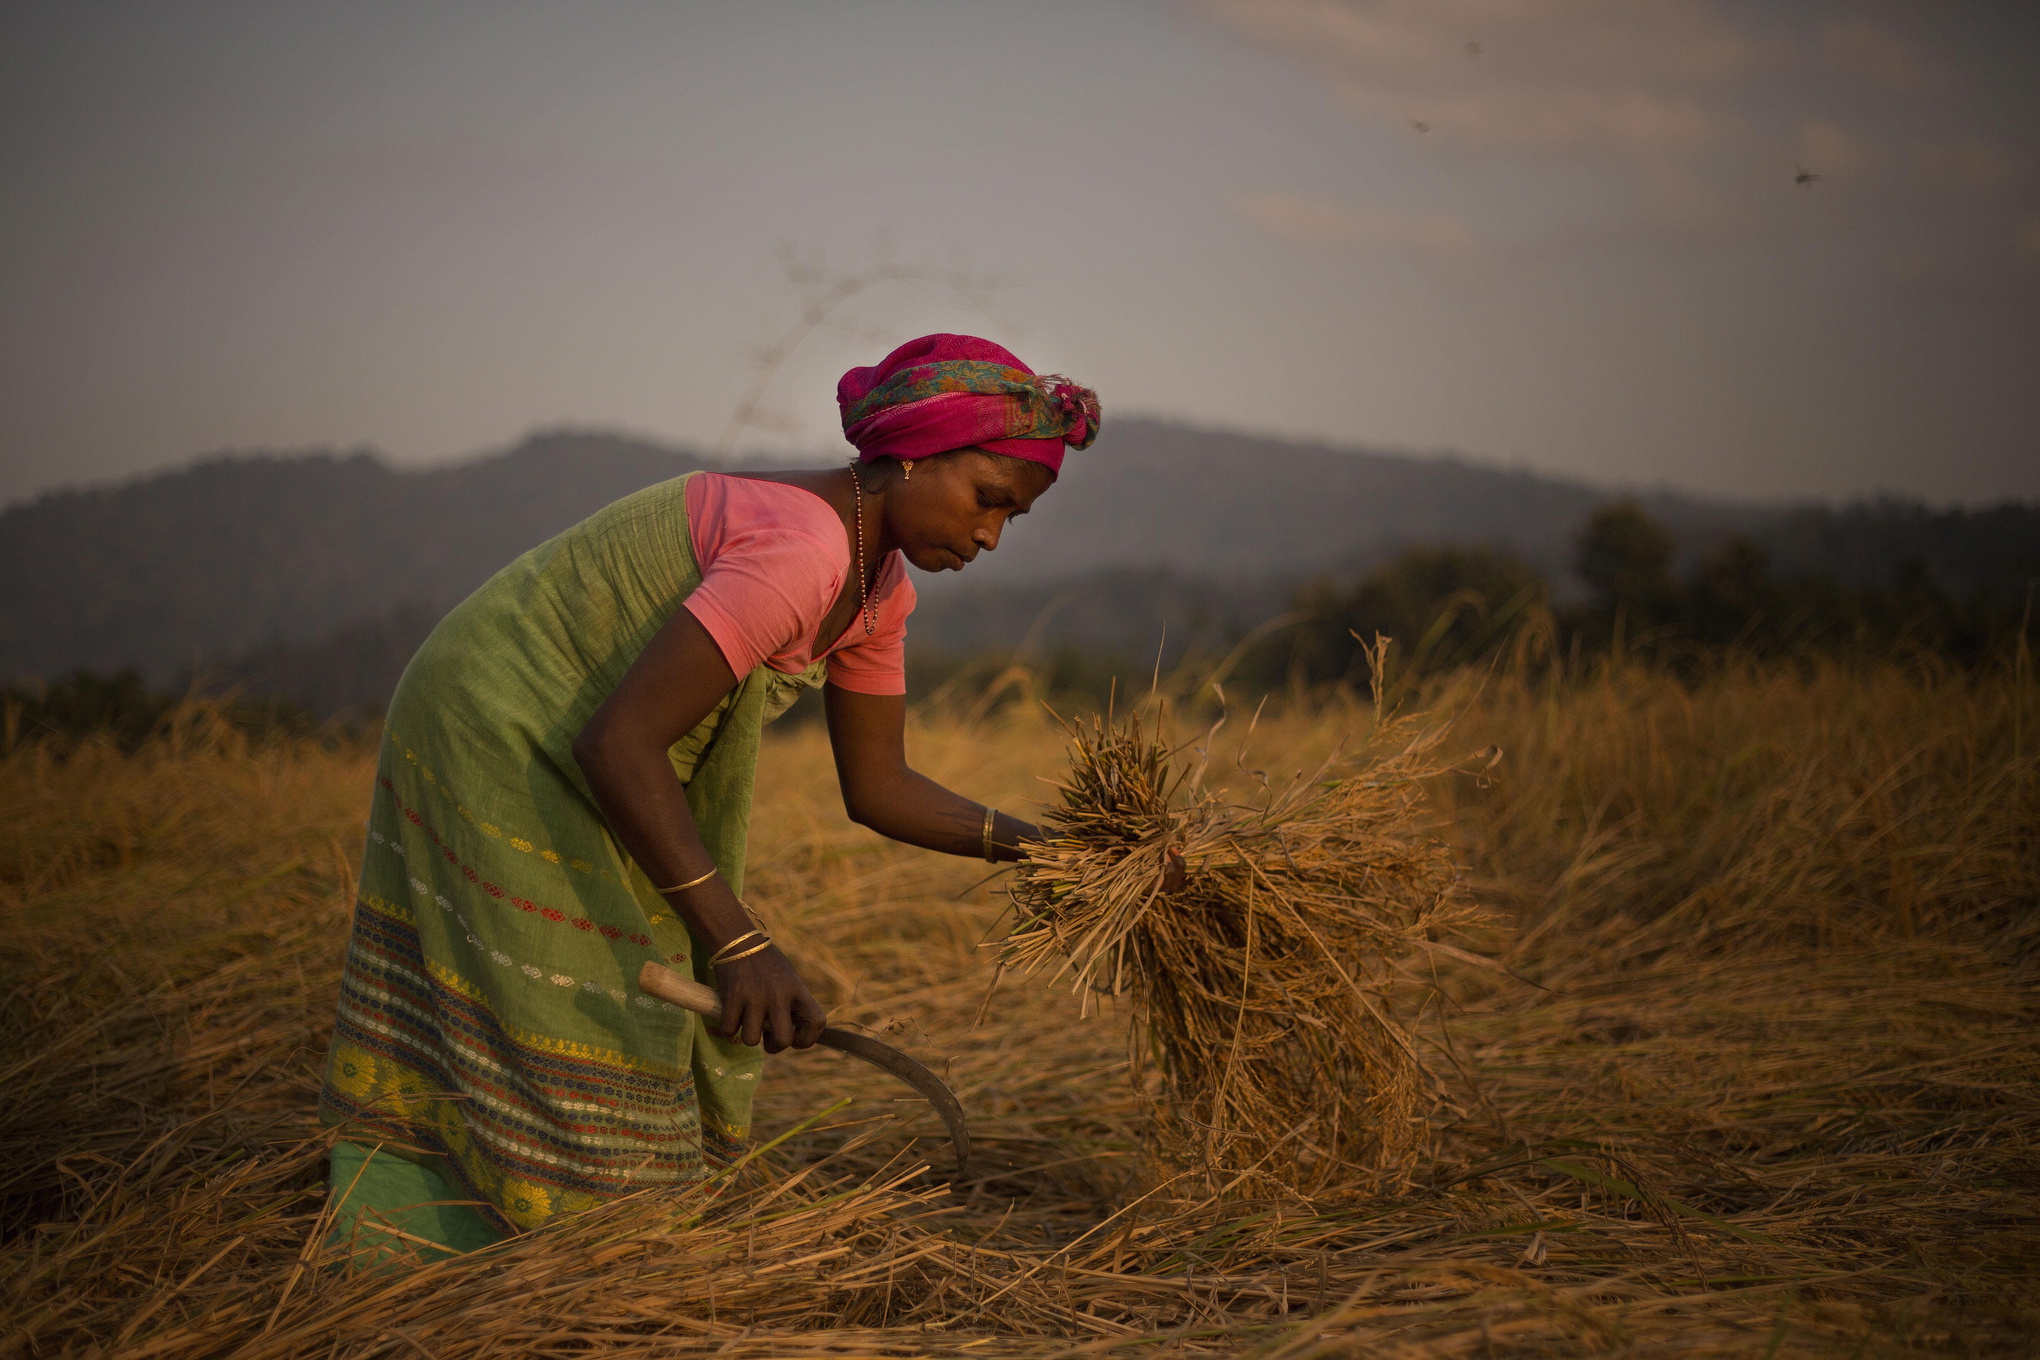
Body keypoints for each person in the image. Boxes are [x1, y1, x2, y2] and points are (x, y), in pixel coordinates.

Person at [317, 334, 1100, 1260]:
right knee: (562, 994)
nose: (989, 537)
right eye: (988, 501)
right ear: (909, 454)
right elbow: (618, 742)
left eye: (1011, 521)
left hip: (590, 743)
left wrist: (1057, 853)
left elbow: (881, 788)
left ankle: (541, 1244)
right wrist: (738, 943)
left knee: (609, 996)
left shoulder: (877, 585)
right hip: (492, 722)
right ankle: (478, 1254)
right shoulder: (804, 550)